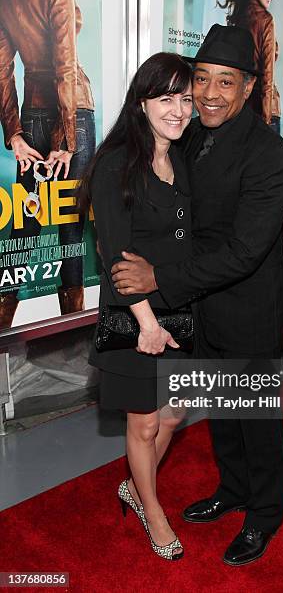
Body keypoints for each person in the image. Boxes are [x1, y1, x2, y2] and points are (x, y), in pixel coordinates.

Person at [111, 25, 283, 566]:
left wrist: (159, 281)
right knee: (218, 410)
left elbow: (242, 251)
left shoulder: (268, 155)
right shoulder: (190, 135)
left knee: (255, 417)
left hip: (249, 307)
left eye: (226, 82)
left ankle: (264, 514)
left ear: (248, 88)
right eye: (202, 79)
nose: (211, 93)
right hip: (199, 309)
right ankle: (232, 490)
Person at [77, 52, 193, 560]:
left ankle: (135, 486)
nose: (179, 109)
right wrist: (145, 322)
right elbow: (115, 254)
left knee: (175, 413)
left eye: (185, 98)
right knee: (144, 422)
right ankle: (152, 508)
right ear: (141, 101)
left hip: (181, 309)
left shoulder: (183, 158)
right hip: (134, 316)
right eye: (166, 97)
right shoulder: (117, 163)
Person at [0, 0, 96, 329]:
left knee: (26, 224)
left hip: (31, 112)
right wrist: (65, 137)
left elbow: (2, 71)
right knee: (71, 227)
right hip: (73, 111)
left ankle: (1, 324)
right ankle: (71, 336)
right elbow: (66, 65)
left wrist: (14, 133)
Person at [217, 0, 281, 133]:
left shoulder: (239, 16)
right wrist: (266, 122)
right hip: (265, 112)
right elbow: (267, 77)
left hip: (242, 110)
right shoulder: (266, 20)